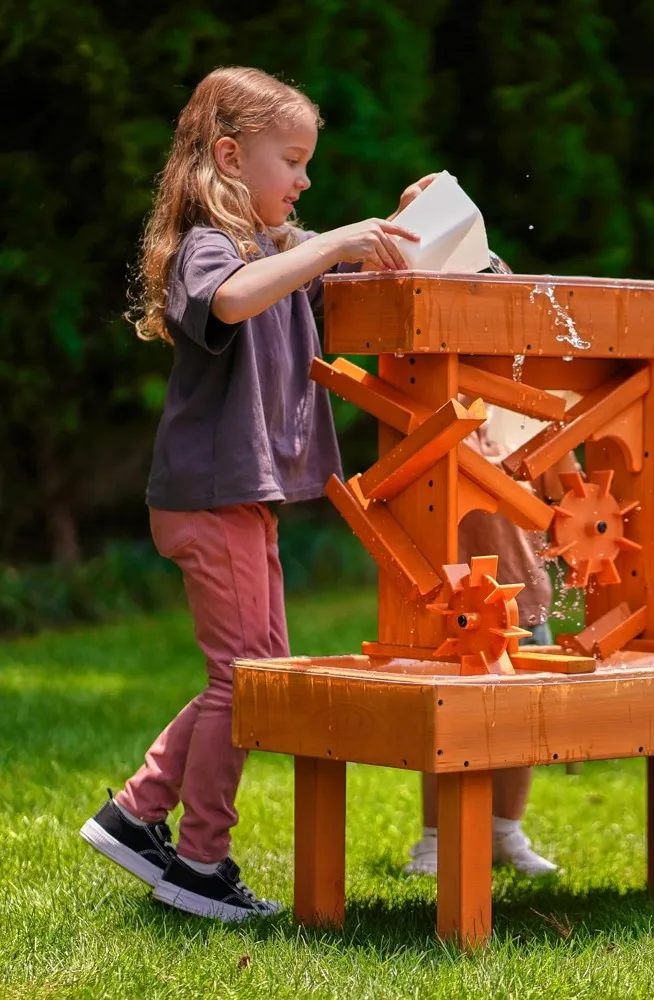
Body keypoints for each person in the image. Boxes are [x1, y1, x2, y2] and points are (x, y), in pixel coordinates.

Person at [79, 65, 433, 922]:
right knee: (245, 679)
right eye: (294, 160)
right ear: (232, 157)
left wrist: (411, 219)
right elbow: (232, 300)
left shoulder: (277, 255)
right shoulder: (210, 245)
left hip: (237, 498)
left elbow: (335, 287)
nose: (305, 180)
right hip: (207, 498)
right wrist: (326, 240)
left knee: (254, 675)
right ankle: (199, 861)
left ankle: (136, 812)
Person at [404, 402, 577, 877]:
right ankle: (435, 841)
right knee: (450, 725)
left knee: (522, 727)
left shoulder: (534, 419)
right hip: (457, 605)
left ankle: (505, 832)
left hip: (523, 602)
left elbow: (571, 501)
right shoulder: (438, 411)